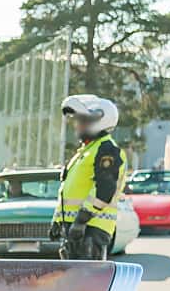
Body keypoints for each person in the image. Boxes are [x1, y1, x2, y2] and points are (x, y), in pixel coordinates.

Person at [51, 95, 125, 260]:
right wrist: (57, 220)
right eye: (77, 120)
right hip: (76, 229)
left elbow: (104, 190)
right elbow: (68, 191)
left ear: (100, 120)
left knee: (88, 276)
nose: (77, 125)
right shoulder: (85, 152)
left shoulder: (106, 149)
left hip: (91, 229)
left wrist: (81, 221)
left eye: (83, 120)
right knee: (73, 276)